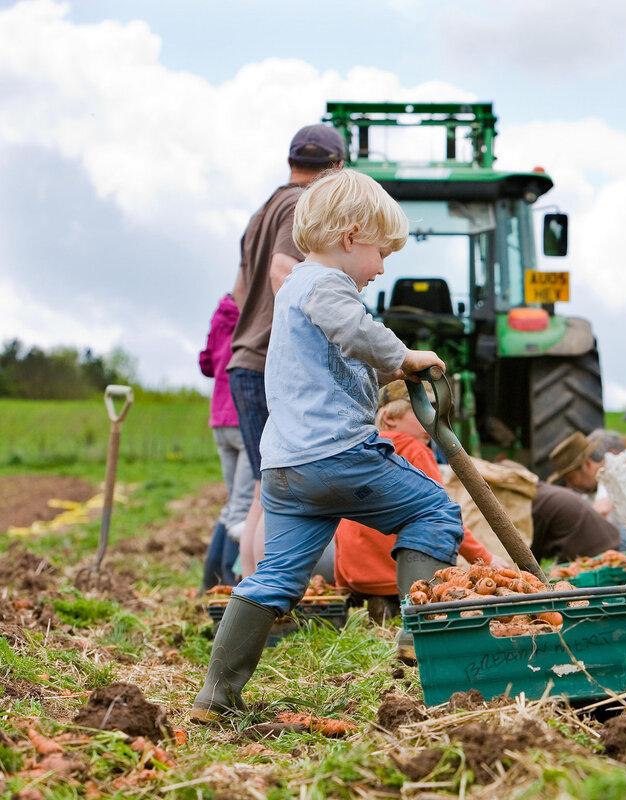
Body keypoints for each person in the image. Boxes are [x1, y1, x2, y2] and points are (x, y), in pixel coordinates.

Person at [192, 169, 458, 720]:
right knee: (435, 511)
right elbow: (354, 330)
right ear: (350, 235)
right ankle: (420, 636)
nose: (382, 267)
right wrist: (404, 358)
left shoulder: (293, 292)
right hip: (336, 455)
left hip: (288, 470)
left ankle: (216, 696)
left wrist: (383, 380)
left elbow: (335, 361)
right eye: (381, 252)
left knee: (276, 577)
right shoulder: (327, 286)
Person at [226, 124, 346, 577]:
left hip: (245, 359)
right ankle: (266, 601)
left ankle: (257, 596)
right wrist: (310, 338)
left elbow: (240, 293)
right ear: (336, 169)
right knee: (271, 491)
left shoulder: (265, 209)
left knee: (263, 487)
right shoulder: (301, 205)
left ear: (291, 162)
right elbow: (282, 271)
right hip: (265, 364)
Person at [333, 380, 499, 623]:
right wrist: (485, 559)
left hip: (358, 579)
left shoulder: (359, 452)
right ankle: (419, 617)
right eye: (420, 411)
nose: (430, 420)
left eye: (431, 411)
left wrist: (342, 584)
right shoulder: (413, 449)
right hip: (396, 579)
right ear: (390, 418)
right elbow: (443, 515)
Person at [198, 293, 254, 589]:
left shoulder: (221, 313)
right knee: (244, 506)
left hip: (219, 418)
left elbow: (206, 363)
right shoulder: (256, 313)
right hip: (244, 415)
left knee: (234, 502)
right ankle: (232, 584)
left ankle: (211, 582)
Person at [549, 429, 626, 549]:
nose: (570, 484)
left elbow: (601, 510)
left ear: (587, 465)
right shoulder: (589, 490)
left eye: (571, 478)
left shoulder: (616, 470)